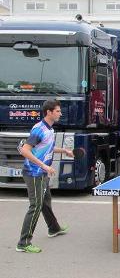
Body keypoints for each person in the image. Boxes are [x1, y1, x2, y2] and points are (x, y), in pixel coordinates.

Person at [16, 99, 74, 253]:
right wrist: (43, 166)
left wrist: (64, 151)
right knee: (35, 205)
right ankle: (23, 243)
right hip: (34, 173)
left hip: (42, 172)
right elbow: (25, 150)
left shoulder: (49, 130)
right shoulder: (39, 129)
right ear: (49, 112)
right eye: (58, 111)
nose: (60, 114)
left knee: (45, 201)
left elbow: (47, 146)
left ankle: (53, 228)